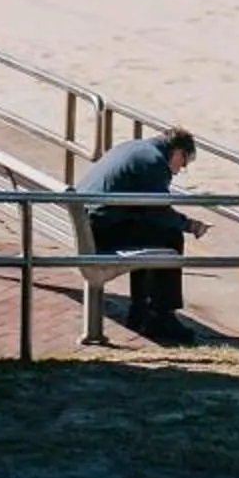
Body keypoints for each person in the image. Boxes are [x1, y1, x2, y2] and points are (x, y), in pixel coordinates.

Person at [77, 126, 205, 339]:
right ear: (178, 152)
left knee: (149, 230)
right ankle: (163, 317)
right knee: (170, 236)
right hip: (99, 231)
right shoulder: (154, 163)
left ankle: (141, 309)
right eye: (183, 164)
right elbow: (159, 211)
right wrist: (189, 225)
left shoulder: (133, 147)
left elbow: (148, 209)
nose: (178, 170)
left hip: (87, 222)